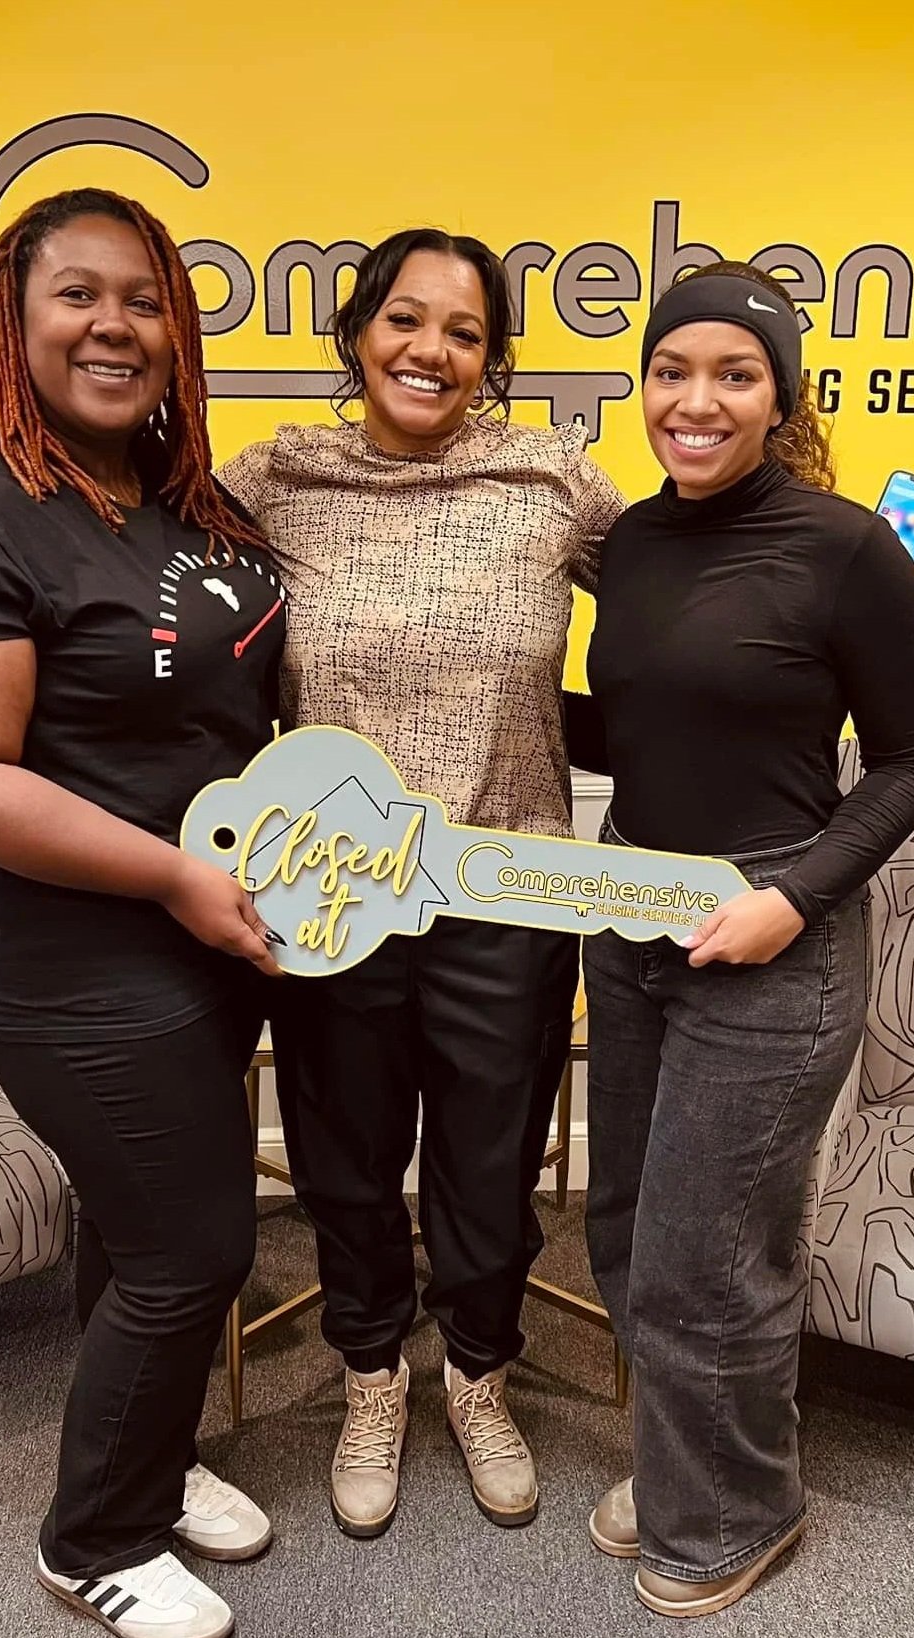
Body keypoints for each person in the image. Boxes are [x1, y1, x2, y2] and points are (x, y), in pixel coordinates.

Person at [0, 188, 286, 1638]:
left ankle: (146, 1465)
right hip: (63, 944)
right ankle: (92, 1536)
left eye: (146, 300)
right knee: (193, 1246)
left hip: (197, 924)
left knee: (136, 1212)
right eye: (77, 296)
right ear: (10, 322)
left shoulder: (168, 494)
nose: (116, 325)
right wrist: (171, 875)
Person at [220, 229, 627, 1537]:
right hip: (332, 887)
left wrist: (844, 582)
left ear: (494, 361)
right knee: (343, 1155)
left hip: (505, 882)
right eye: (405, 319)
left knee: (489, 1158)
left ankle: (482, 1374)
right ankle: (371, 1376)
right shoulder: (277, 476)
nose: (430, 350)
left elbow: (693, 591)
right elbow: (142, 582)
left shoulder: (550, 477)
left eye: (463, 331)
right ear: (355, 335)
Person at [579, 262, 914, 1616]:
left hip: (775, 925)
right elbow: (639, 723)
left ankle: (742, 1508)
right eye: (673, 371)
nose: (696, 400)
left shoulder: (849, 548)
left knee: (709, 1249)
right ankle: (695, 1463)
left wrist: (792, 900)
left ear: (778, 395)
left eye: (734, 374)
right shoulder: (628, 541)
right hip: (630, 911)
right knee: (621, 1226)